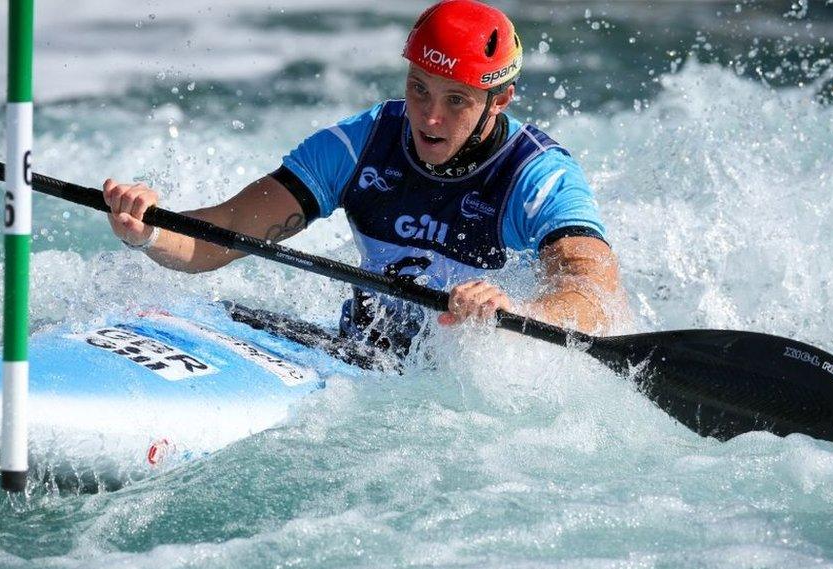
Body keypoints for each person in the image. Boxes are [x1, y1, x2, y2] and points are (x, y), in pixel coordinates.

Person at [103, 0, 622, 357]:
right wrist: (149, 229)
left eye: (455, 100)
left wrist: (515, 311)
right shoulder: (360, 144)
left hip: (453, 389)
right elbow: (227, 231)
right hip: (358, 355)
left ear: (500, 99)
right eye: (419, 90)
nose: (429, 118)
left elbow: (596, 294)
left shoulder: (537, 175)